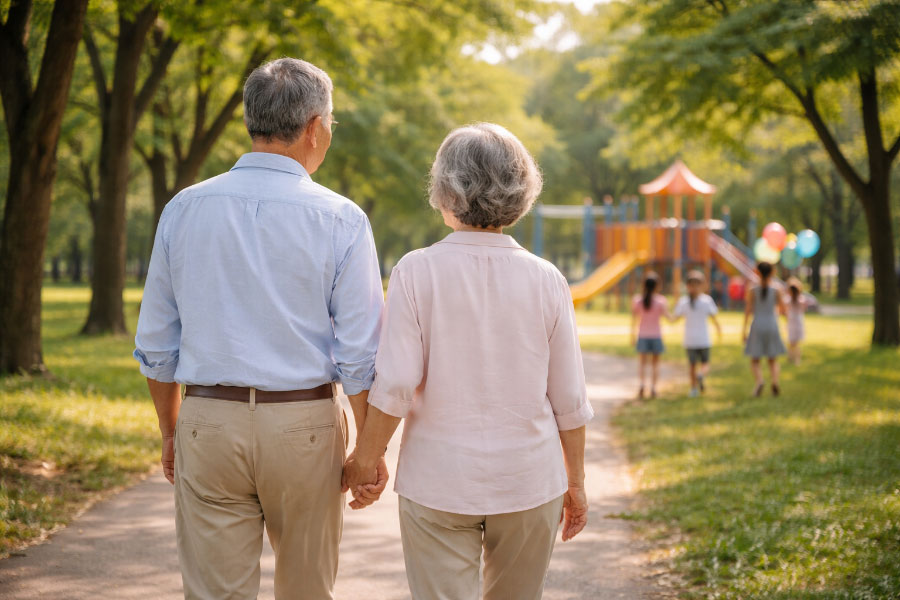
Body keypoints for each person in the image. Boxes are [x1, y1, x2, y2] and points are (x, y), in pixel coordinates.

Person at [133, 58, 388, 599]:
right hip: (304, 425)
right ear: (315, 126)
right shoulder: (342, 218)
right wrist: (367, 453)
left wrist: (171, 431)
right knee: (306, 590)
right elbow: (359, 355)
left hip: (209, 419)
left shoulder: (183, 208)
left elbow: (156, 344)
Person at [342, 123, 593, 600]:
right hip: (528, 481)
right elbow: (570, 399)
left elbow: (395, 382)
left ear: (444, 190)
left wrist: (366, 460)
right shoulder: (548, 279)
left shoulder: (416, 270)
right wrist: (576, 482)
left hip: (438, 481)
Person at [672, 270, 722, 397]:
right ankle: (701, 375)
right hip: (703, 339)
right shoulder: (707, 300)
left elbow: (674, 318)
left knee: (692, 366)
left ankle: (693, 389)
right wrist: (719, 330)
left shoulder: (683, 301)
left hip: (689, 340)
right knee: (705, 364)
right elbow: (714, 318)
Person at [742, 261, 787, 396]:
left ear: (757, 272)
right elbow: (783, 309)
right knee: (772, 360)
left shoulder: (752, 289)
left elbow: (748, 310)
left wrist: (743, 330)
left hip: (757, 325)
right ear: (773, 272)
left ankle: (760, 381)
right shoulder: (777, 289)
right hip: (772, 324)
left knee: (755, 360)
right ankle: (775, 382)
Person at [631, 272, 671, 399]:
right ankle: (653, 387)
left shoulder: (637, 300)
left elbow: (634, 321)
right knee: (655, 364)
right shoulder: (661, 301)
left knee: (642, 363)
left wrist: (632, 336)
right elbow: (668, 317)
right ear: (657, 286)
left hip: (642, 335)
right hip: (656, 336)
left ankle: (642, 385)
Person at [784, 276, 808, 365]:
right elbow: (803, 309)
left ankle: (790, 357)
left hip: (791, 321)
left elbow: (785, 311)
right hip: (798, 321)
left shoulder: (787, 299)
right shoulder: (801, 299)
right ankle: (796, 359)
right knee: (796, 343)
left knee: (791, 342)